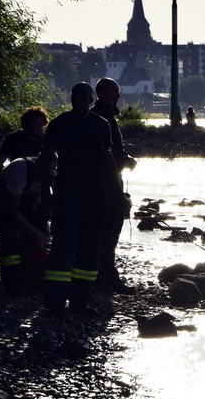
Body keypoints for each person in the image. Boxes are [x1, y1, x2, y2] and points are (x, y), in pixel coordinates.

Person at [36, 82, 114, 315]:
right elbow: (45, 158)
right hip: (67, 193)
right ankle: (55, 303)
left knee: (90, 250)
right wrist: (45, 193)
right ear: (71, 99)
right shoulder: (59, 124)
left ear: (92, 100)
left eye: (84, 97)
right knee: (62, 247)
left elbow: (108, 162)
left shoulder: (101, 125)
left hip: (95, 195)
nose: (80, 101)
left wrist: (116, 194)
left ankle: (80, 301)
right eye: (76, 96)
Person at [90, 78, 138, 294]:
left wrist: (125, 158)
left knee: (112, 231)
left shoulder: (108, 116)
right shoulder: (99, 118)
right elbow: (103, 153)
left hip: (112, 178)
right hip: (105, 183)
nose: (118, 96)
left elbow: (114, 150)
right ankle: (100, 278)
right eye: (115, 92)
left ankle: (108, 277)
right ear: (102, 94)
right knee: (105, 231)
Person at [0, 157, 49, 294]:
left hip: (28, 199)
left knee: (39, 233)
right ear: (37, 168)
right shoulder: (20, 172)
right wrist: (33, 231)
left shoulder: (52, 174)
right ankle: (12, 284)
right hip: (4, 195)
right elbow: (11, 210)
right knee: (9, 237)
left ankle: (32, 278)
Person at [0, 106, 48, 172]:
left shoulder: (46, 140)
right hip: (17, 177)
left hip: (38, 180)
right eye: (36, 124)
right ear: (27, 124)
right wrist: (7, 178)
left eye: (42, 125)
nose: (40, 128)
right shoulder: (12, 138)